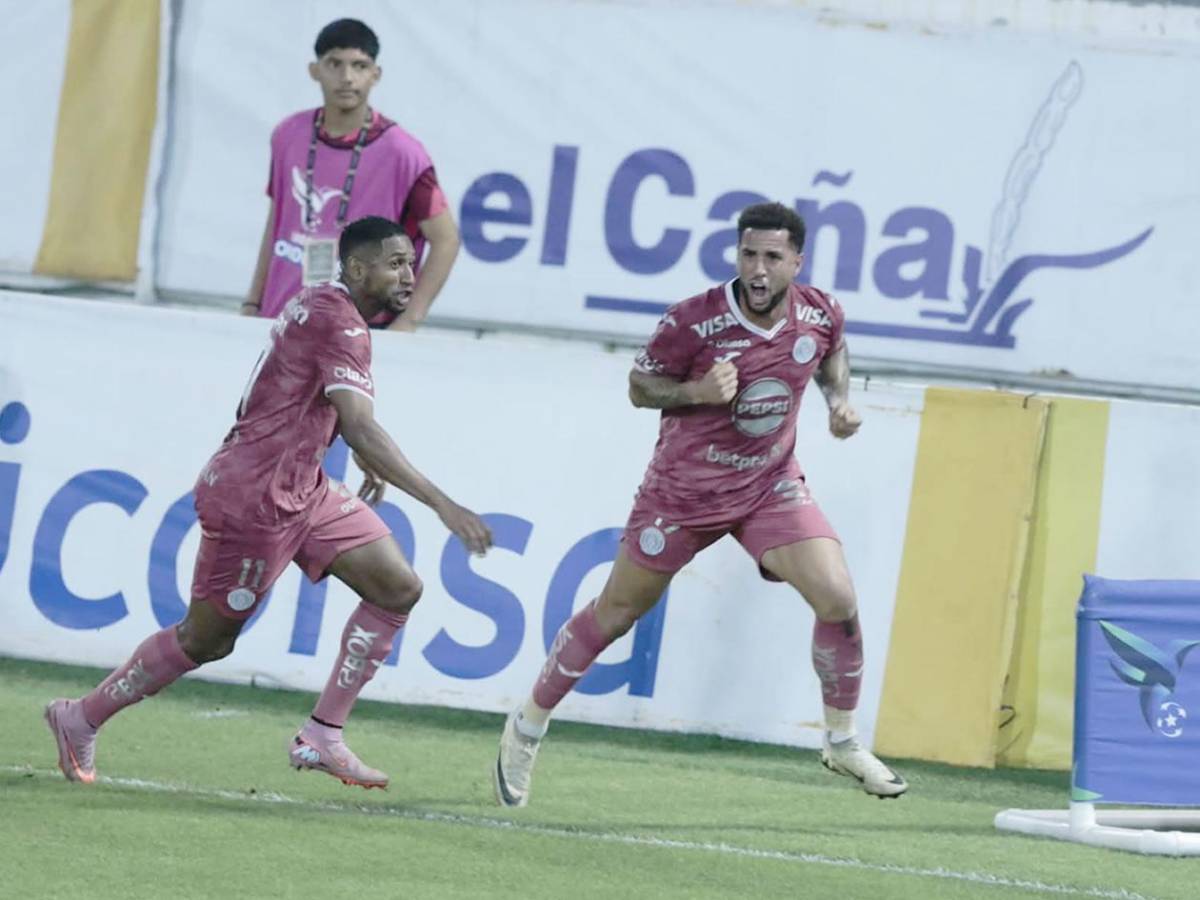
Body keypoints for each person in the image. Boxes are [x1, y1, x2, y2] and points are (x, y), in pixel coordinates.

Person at [46, 216, 492, 790]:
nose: (410, 275)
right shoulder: (343, 326)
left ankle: (322, 735)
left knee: (397, 587)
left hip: (304, 488)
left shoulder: (323, 302)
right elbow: (360, 425)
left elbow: (310, 394)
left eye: (411, 262)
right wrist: (442, 504)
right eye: (396, 263)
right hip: (254, 499)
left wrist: (345, 444)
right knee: (206, 640)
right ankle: (81, 716)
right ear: (358, 269)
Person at [492, 202, 907, 807]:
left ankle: (841, 741)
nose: (758, 269)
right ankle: (526, 726)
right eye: (748, 254)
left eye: (772, 257)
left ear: (797, 261)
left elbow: (832, 349)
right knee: (616, 613)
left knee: (838, 598)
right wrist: (697, 391)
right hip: (682, 494)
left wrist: (838, 400)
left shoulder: (819, 311)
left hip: (768, 486)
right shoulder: (693, 320)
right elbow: (639, 387)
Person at [242, 18, 459, 332]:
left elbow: (446, 239)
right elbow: (277, 220)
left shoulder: (403, 153)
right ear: (314, 70)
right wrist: (252, 302)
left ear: (376, 74)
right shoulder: (288, 134)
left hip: (358, 331)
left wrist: (408, 320)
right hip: (281, 321)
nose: (346, 77)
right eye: (335, 64)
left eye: (359, 66)